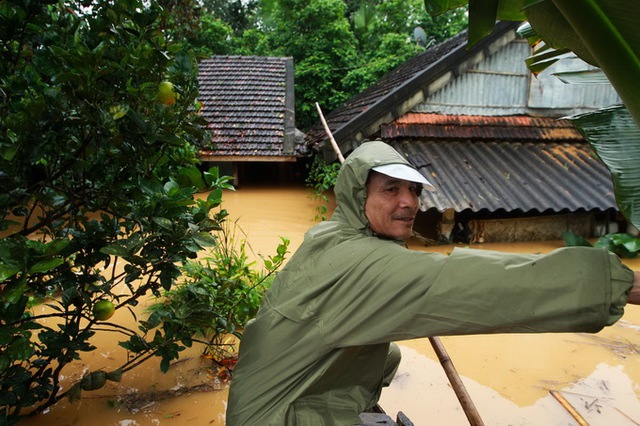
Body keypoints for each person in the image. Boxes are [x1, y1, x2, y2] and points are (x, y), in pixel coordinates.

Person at [226, 140, 640, 425]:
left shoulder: (330, 235)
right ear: (358, 197)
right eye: (391, 189)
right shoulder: (362, 264)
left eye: (413, 190)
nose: (408, 202)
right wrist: (617, 284)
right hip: (278, 417)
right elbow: (487, 285)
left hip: (266, 402)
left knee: (385, 357)